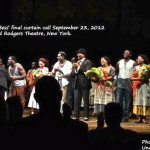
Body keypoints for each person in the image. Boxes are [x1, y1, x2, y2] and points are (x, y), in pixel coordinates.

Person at [14, 76, 88, 148]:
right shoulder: (79, 129)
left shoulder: (24, 126)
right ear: (61, 95)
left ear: (36, 97)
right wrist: (67, 120)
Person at [72, 48, 92, 121]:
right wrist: (74, 69)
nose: (78, 55)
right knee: (76, 100)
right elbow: (73, 74)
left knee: (86, 100)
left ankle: (86, 116)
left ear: (83, 54)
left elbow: (88, 72)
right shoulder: (77, 62)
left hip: (84, 83)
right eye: (77, 53)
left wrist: (79, 67)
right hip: (77, 83)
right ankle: (76, 115)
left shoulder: (88, 62)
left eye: (79, 53)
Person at [115, 50, 135, 122]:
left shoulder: (133, 63)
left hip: (128, 81)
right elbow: (116, 73)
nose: (125, 54)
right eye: (124, 53)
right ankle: (118, 116)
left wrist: (133, 81)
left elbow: (135, 73)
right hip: (120, 80)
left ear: (130, 55)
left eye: (127, 53)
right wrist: (115, 84)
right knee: (118, 100)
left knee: (127, 100)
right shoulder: (119, 62)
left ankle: (125, 116)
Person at [131, 55, 150, 124]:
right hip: (137, 86)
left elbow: (147, 77)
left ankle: (144, 118)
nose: (137, 59)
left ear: (143, 60)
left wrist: (145, 74)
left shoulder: (147, 67)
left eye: (139, 58)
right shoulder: (136, 67)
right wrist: (136, 80)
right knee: (138, 101)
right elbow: (131, 77)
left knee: (144, 100)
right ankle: (139, 118)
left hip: (144, 86)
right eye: (137, 58)